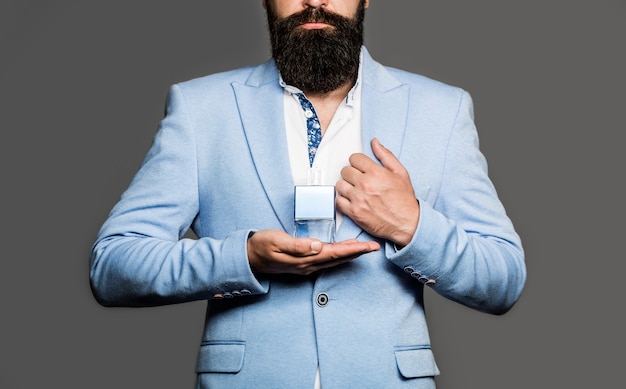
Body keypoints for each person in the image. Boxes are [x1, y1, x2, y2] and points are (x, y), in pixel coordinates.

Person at [89, 0, 526, 388]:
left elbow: (502, 278)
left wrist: (412, 225)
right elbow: (113, 265)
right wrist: (244, 259)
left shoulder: (441, 110)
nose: (314, 1)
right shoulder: (202, 109)